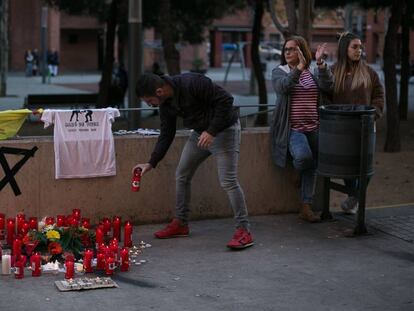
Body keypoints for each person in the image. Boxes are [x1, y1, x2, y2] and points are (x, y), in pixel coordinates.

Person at [133, 73, 254, 250]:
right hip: (200, 135)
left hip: (224, 131)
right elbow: (167, 134)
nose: (149, 105)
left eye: (149, 100)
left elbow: (226, 101)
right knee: (182, 174)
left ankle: (244, 231)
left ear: (159, 91)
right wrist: (151, 163)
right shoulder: (166, 105)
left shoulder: (193, 83)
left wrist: (212, 131)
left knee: (228, 181)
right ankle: (181, 223)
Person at [270, 36, 333, 222]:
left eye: (292, 49)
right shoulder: (279, 71)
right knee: (305, 159)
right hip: (293, 128)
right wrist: (297, 69)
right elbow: (284, 88)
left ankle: (305, 207)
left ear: (302, 51)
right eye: (285, 49)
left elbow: (328, 86)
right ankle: (298, 170)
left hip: (314, 126)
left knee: (315, 164)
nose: (287, 52)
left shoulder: (313, 71)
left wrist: (320, 63)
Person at [330, 32, 384, 214]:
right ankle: (353, 198)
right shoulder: (333, 71)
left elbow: (379, 96)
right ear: (344, 48)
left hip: (367, 128)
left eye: (360, 47)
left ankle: (353, 198)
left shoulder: (369, 72)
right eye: (355, 47)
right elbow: (325, 97)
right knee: (347, 166)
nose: (359, 50)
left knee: (367, 167)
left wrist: (373, 113)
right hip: (342, 130)